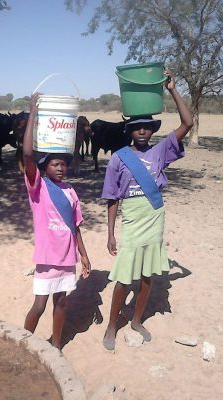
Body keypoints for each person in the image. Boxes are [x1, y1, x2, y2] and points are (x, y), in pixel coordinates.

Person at [101, 69, 193, 351]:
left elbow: (188, 122)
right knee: (123, 278)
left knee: (147, 276)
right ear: (129, 130)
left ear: (153, 129)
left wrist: (172, 89)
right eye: (137, 127)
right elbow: (112, 198)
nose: (142, 130)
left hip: (154, 219)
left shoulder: (161, 150)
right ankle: (111, 325)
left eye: (147, 127)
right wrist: (111, 234)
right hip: (132, 221)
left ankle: (137, 320)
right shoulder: (119, 158)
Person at [22, 92, 91, 350]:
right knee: (39, 305)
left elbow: (76, 227)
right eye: (54, 164)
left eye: (63, 164)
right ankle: (23, 344)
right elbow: (28, 154)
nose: (60, 168)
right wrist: (33, 113)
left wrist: (83, 255)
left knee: (61, 303)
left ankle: (57, 345)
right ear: (45, 168)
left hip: (67, 259)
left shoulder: (71, 191)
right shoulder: (38, 187)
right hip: (46, 258)